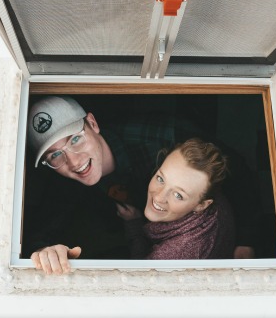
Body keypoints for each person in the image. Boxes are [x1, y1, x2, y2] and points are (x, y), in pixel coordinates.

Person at [24, 95, 263, 275]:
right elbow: (42, 230)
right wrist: (44, 252)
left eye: (76, 139)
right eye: (55, 155)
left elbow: (236, 172)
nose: (74, 162)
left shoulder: (165, 137)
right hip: (137, 232)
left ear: (93, 123)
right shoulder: (62, 174)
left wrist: (247, 240)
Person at [115, 138, 235, 259]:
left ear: (202, 205)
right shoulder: (214, 193)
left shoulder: (169, 257)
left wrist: (134, 226)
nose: (158, 197)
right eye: (160, 179)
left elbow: (138, 274)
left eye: (178, 195)